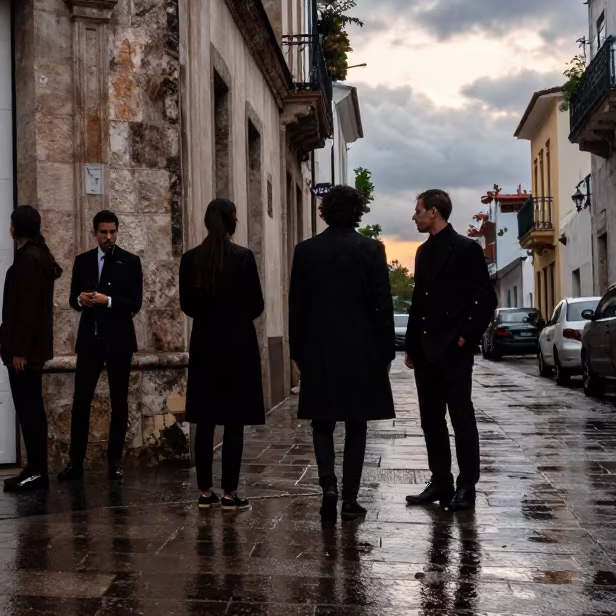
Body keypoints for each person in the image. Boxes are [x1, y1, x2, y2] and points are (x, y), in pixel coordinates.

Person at [289, 186, 396, 521]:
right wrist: (386, 352)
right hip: (362, 349)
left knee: (322, 422)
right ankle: (350, 498)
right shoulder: (372, 249)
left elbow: (297, 306)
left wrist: (297, 351)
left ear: (324, 211)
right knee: (357, 423)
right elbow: (383, 306)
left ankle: (328, 486)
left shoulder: (306, 251)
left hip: (318, 349)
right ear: (358, 212)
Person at [404, 189, 495, 513]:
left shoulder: (466, 249)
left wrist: (466, 338)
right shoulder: (422, 252)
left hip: (455, 352)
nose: (414, 216)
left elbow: (485, 299)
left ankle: (467, 486)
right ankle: (440, 479)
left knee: (461, 418)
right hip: (426, 351)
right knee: (431, 419)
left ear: (433, 212)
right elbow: (420, 303)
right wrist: (411, 345)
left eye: (418, 210)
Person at [179, 198, 263, 511]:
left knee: (205, 418)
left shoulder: (191, 259)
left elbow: (187, 304)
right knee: (234, 421)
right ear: (231, 222)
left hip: (205, 342)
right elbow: (256, 304)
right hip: (238, 343)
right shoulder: (242, 258)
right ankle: (230, 493)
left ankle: (204, 491)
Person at [59, 210, 143, 482]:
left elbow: (135, 302)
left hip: (119, 341)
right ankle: (75, 462)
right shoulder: (82, 261)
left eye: (113, 232)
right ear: (94, 232)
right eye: (104, 232)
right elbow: (73, 299)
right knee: (81, 401)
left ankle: (115, 462)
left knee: (119, 403)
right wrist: (81, 300)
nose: (109, 237)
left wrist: (107, 301)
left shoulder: (130, 262)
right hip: (90, 342)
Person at [0, 205, 63, 492]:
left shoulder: (29, 259)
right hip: (30, 347)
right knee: (30, 406)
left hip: (26, 350)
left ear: (16, 227)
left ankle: (37, 470)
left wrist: (19, 349)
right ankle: (35, 468)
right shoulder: (35, 256)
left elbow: (27, 309)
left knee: (29, 408)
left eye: (11, 223)